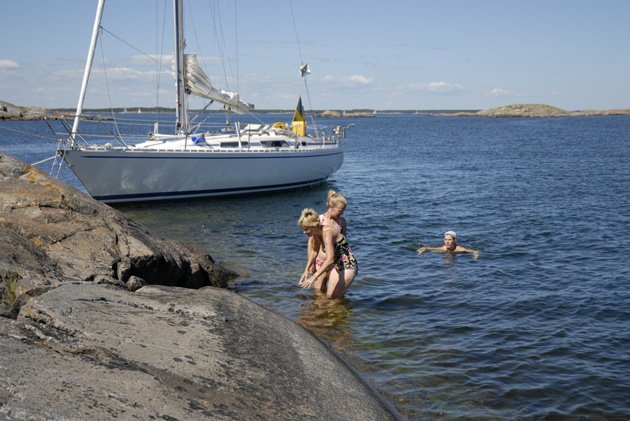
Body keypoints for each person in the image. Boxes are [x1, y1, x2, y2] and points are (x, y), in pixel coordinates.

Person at [298, 208, 358, 298]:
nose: (304, 232)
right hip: (335, 262)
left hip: (347, 264)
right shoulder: (316, 234)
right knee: (324, 295)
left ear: (314, 225)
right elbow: (314, 251)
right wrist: (306, 270)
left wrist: (314, 276)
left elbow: (329, 259)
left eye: (306, 229)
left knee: (333, 297)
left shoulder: (327, 233)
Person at [299, 190, 348, 290]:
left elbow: (343, 242)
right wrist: (311, 264)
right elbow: (312, 244)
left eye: (344, 210)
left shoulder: (342, 222)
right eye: (340, 210)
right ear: (331, 207)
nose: (342, 213)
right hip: (321, 261)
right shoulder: (319, 220)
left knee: (332, 292)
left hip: (335, 262)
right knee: (318, 291)